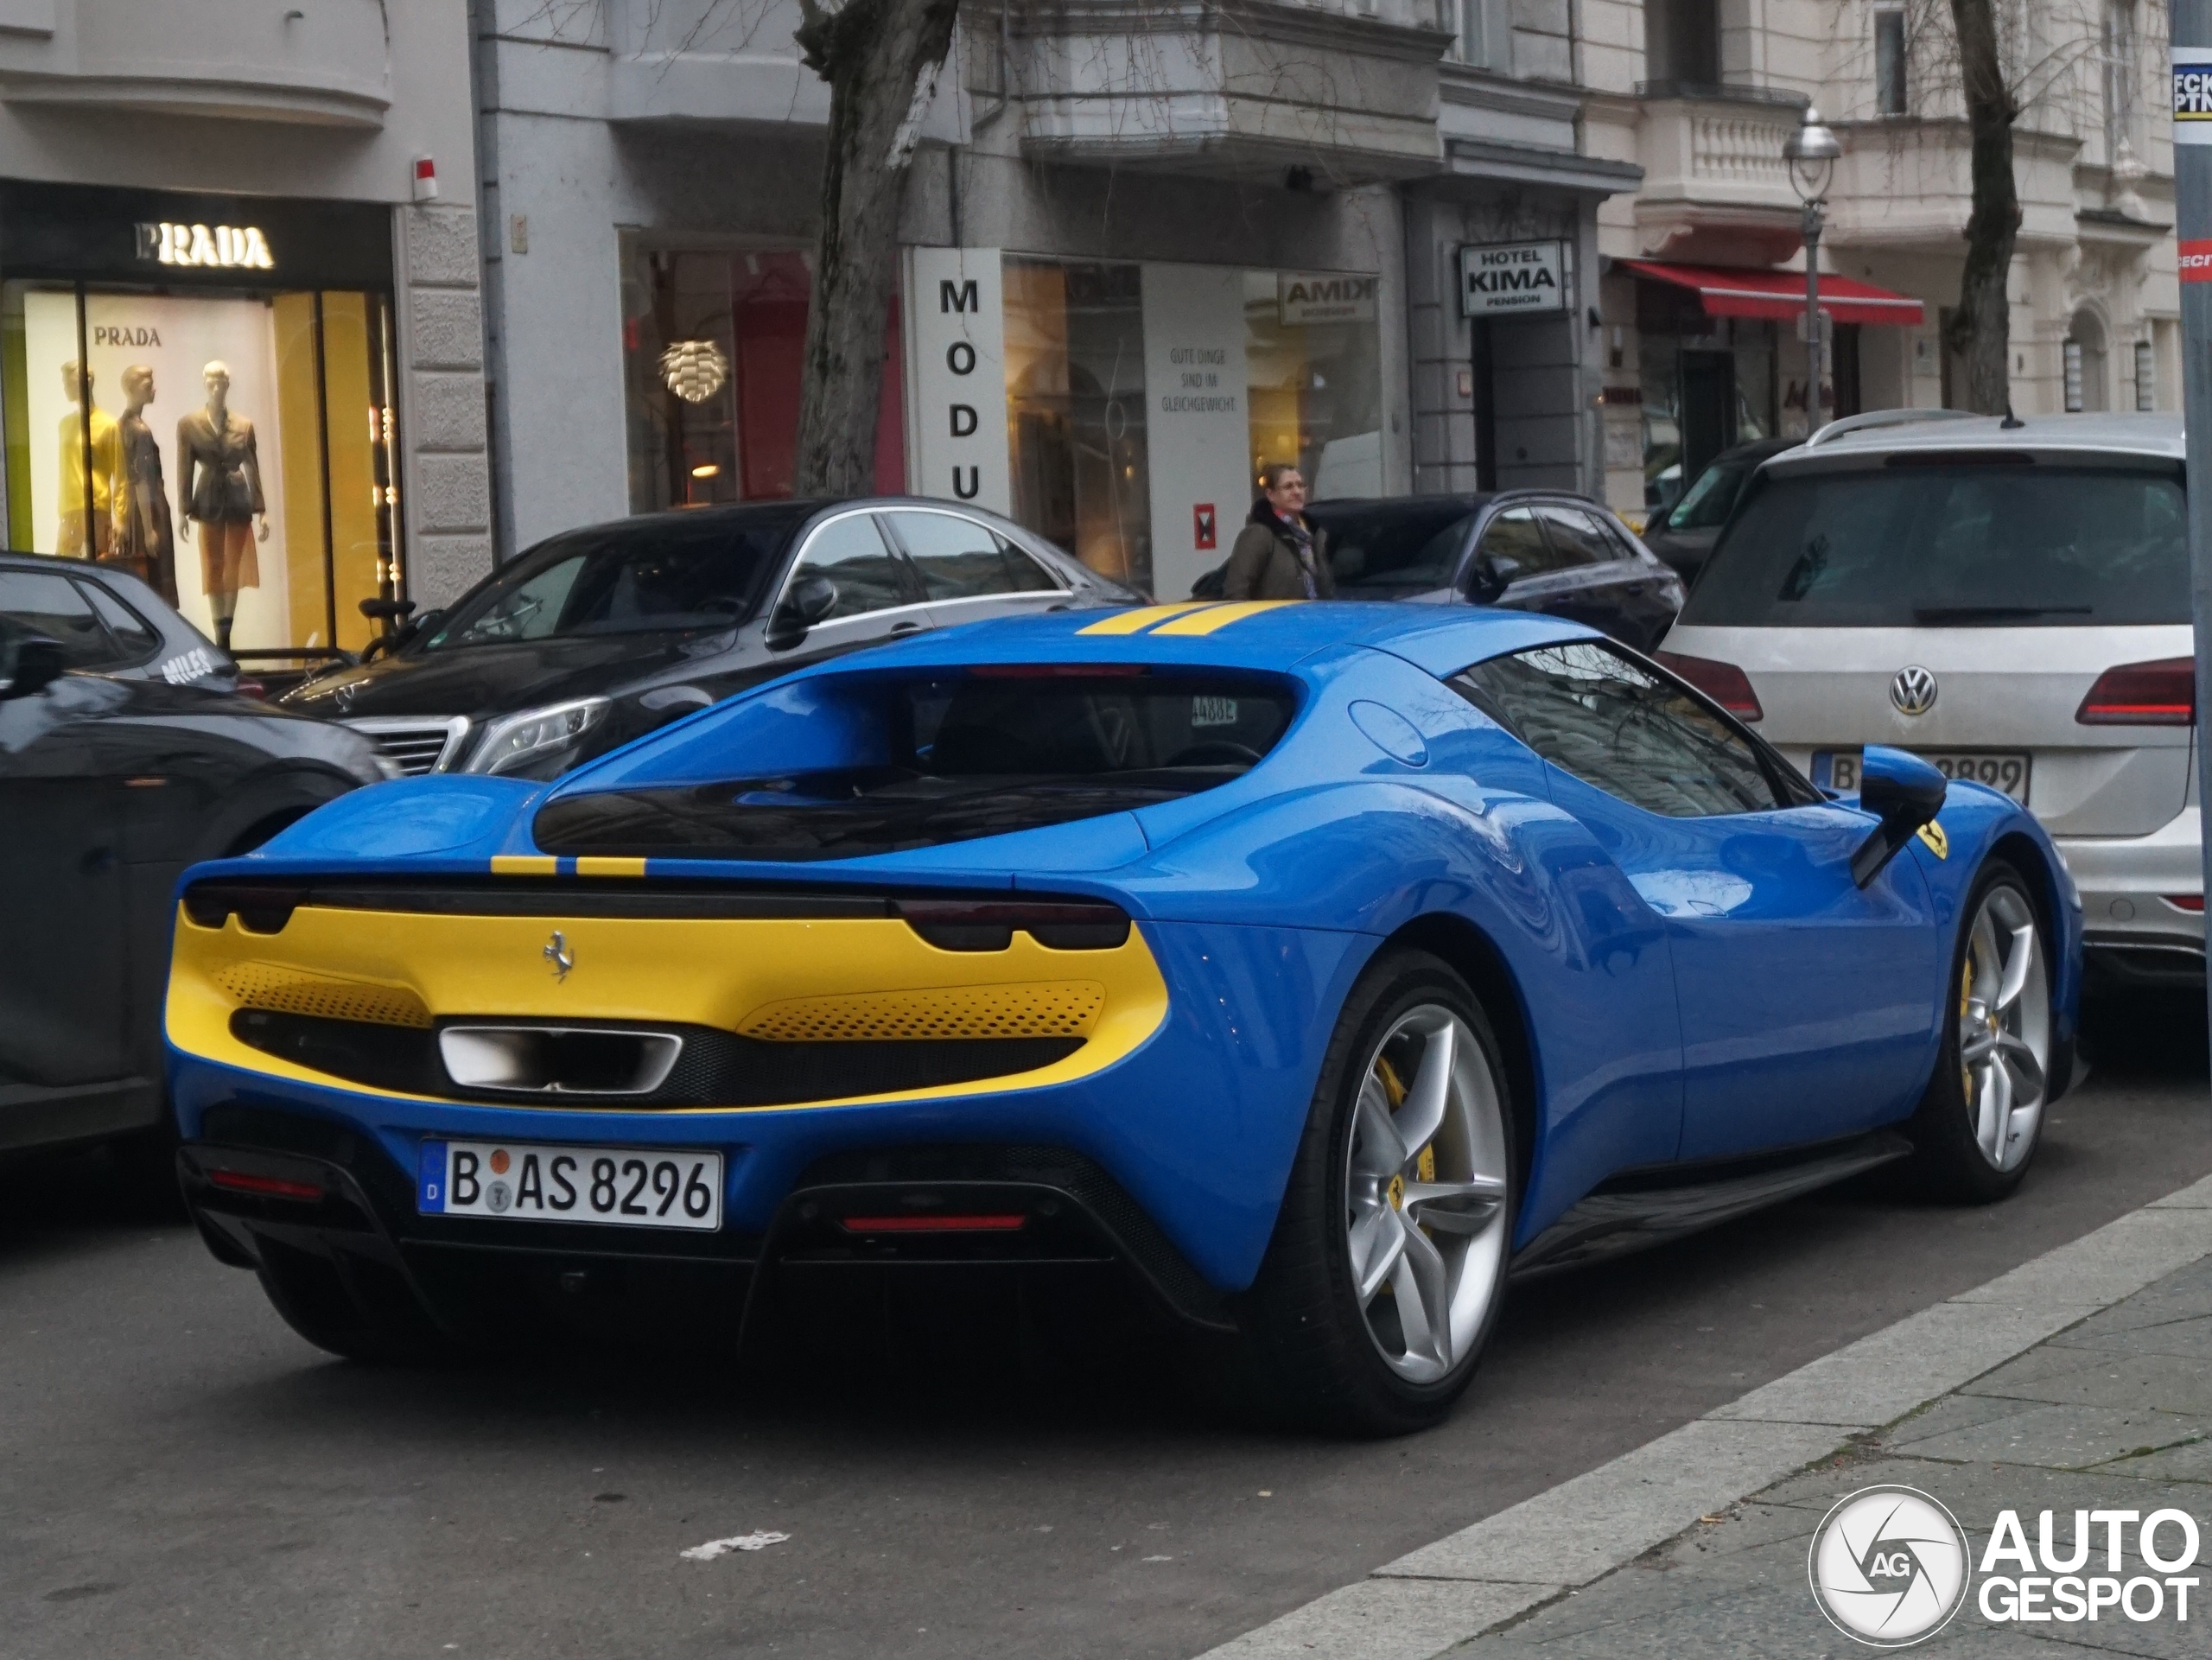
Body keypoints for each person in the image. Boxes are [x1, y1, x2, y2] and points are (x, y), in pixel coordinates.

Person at [176, 359, 269, 651]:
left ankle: (225, 635)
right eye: (212, 381)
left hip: (238, 500)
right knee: (213, 567)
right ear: (205, 383)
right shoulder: (189, 424)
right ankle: (220, 636)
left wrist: (262, 510)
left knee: (234, 568)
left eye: (222, 381)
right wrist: (183, 510)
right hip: (208, 500)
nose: (217, 387)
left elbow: (253, 467)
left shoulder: (244, 425)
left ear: (228, 385)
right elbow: (185, 468)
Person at [112, 365, 178, 605]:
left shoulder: (121, 425)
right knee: (155, 576)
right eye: (147, 385)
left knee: (140, 573)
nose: (153, 388)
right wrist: (150, 527)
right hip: (148, 509)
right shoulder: (140, 431)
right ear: (132, 389)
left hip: (133, 510)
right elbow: (142, 480)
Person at [1222, 462, 1334, 601]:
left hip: (1312, 619)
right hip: (1273, 621)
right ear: (1271, 494)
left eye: (1300, 485)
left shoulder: (1313, 534)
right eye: (1288, 487)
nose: (1297, 492)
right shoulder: (1259, 534)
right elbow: (1236, 591)